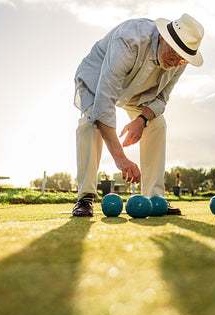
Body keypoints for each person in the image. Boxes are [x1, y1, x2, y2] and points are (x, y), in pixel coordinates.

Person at [71, 13, 204, 217]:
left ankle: (155, 197)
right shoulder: (130, 40)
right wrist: (120, 158)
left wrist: (142, 120)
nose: (176, 61)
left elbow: (162, 98)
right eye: (174, 53)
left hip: (139, 93)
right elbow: (104, 104)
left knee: (157, 124)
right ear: (162, 37)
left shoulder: (180, 61)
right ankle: (85, 198)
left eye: (182, 58)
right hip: (96, 82)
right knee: (90, 122)